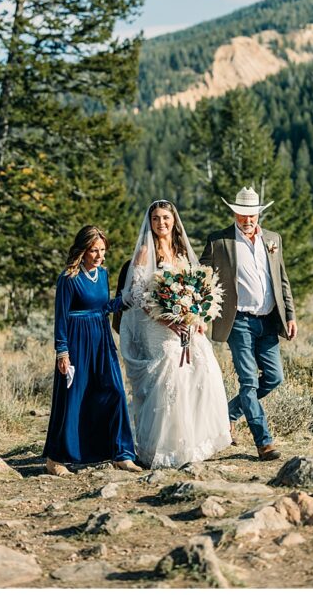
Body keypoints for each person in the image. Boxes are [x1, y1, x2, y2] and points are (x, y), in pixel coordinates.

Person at [118, 200, 232, 468]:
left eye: (166, 218)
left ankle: (190, 445)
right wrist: (168, 320)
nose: (161, 223)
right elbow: (135, 293)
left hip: (187, 324)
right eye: (156, 218)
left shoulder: (180, 251)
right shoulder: (145, 252)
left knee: (204, 371)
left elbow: (195, 288)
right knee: (169, 378)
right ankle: (160, 449)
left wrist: (198, 317)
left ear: (174, 220)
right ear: (150, 222)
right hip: (156, 326)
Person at [200, 187, 297, 462]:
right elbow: (202, 277)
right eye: (242, 215)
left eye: (251, 215)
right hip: (238, 320)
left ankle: (227, 414)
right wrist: (198, 311)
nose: (247, 220)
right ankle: (263, 441)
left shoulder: (272, 239)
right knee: (248, 382)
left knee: (274, 377)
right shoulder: (219, 241)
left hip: (268, 320)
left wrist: (290, 315)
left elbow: (282, 279)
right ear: (234, 213)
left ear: (258, 214)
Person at [42, 225, 141, 475]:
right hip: (76, 342)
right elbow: (61, 317)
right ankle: (56, 459)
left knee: (115, 392)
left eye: (103, 250)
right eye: (94, 251)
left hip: (101, 339)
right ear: (83, 251)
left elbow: (103, 307)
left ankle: (121, 453)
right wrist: (62, 351)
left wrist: (125, 301)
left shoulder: (104, 275)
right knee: (73, 397)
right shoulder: (68, 278)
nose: (100, 256)